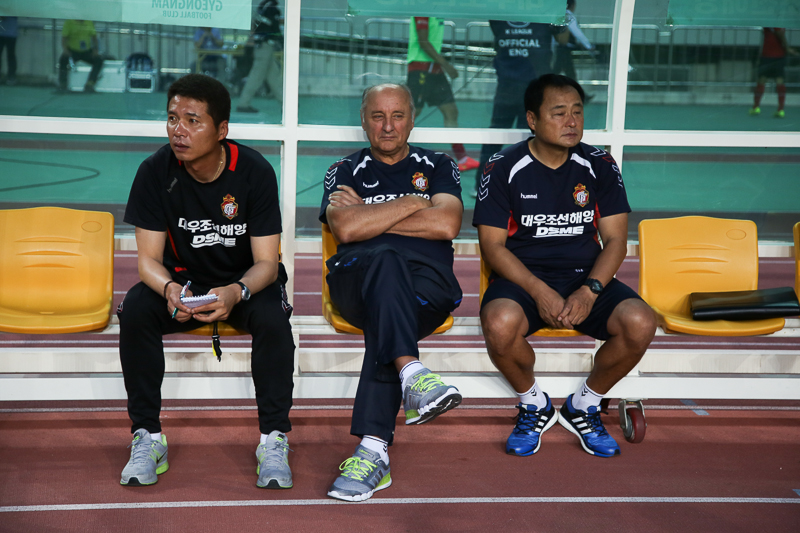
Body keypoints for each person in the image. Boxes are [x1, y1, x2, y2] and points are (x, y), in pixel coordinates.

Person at [118, 74, 296, 489]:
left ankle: (273, 438)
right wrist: (169, 290)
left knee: (273, 319)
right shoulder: (154, 171)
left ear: (221, 130)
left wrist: (237, 291)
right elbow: (147, 261)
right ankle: (147, 435)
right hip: (183, 285)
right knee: (136, 309)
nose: (178, 130)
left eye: (192, 120)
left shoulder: (253, 171)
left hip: (243, 284)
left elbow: (267, 263)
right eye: (172, 118)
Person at [473, 74, 656, 458]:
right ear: (532, 119)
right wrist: (539, 291)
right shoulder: (502, 166)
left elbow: (616, 241)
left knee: (640, 322)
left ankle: (584, 405)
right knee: (499, 324)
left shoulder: (599, 164)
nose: (571, 121)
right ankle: (533, 403)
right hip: (523, 280)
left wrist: (590, 291)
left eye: (577, 112)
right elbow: (492, 246)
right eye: (559, 113)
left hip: (584, 279)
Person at [320, 83, 464, 501]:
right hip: (355, 282)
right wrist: (417, 202)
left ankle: (374, 448)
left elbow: (447, 224)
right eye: (378, 116)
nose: (388, 126)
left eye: (397, 115)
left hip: (426, 287)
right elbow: (345, 229)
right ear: (363, 120)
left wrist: (368, 213)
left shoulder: (439, 165)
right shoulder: (344, 170)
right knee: (384, 259)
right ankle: (413, 377)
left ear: (412, 119)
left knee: (386, 314)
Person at [471, 20, 568, 197]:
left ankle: (493, 184)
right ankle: (486, 184)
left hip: (529, 89)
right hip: (515, 88)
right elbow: (563, 39)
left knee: (522, 137)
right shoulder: (533, 15)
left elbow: (563, 39)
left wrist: (560, 19)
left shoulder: (542, 16)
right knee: (506, 136)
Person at [407, 16, 479, 172]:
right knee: (411, 113)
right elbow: (423, 41)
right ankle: (390, 153)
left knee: (451, 111)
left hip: (434, 67)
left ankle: (462, 158)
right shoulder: (422, 10)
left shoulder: (438, 11)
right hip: (420, 67)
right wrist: (446, 64)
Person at [237, 0, 283, 113]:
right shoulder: (272, 9)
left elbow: (258, 25)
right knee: (256, 76)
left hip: (261, 46)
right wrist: (282, 43)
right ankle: (243, 103)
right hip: (265, 46)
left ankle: (285, 102)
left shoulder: (263, 6)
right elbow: (275, 28)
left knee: (274, 76)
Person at [750, 27, 797, 118]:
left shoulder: (774, 23)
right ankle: (780, 109)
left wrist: (787, 48)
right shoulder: (779, 24)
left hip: (768, 56)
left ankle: (756, 107)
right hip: (776, 56)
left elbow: (779, 33)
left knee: (762, 80)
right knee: (778, 81)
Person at [552, 1, 597, 86]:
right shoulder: (568, 16)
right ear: (573, 5)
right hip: (565, 48)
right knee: (566, 73)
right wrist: (588, 46)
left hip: (559, 47)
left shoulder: (558, 15)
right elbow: (577, 32)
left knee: (561, 71)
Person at [58, 20, 104, 93]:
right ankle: (63, 84)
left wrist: (96, 50)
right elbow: (64, 38)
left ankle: (90, 83)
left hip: (86, 51)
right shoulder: (69, 22)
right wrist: (65, 50)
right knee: (63, 59)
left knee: (98, 60)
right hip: (73, 51)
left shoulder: (89, 22)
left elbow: (94, 37)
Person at [0, 16, 17, 85]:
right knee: (11, 55)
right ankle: (11, 76)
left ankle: (11, 76)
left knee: (11, 55)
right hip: (10, 32)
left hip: (10, 32)